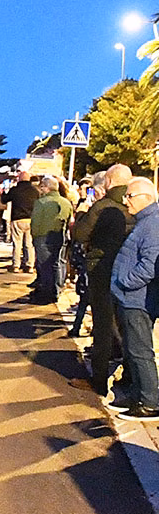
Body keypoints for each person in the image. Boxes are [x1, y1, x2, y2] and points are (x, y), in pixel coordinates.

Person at [69, 164, 133, 396]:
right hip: (128, 272)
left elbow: (80, 234)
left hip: (102, 268)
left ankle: (98, 379)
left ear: (108, 182)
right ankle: (127, 373)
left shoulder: (102, 206)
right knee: (125, 323)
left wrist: (82, 213)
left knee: (103, 324)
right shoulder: (134, 206)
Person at [107, 177, 159, 421]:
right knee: (132, 350)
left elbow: (149, 267)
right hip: (131, 298)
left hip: (138, 300)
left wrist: (125, 282)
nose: (125, 200)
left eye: (129, 196)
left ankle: (149, 403)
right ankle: (138, 395)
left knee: (140, 352)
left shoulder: (152, 225)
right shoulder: (144, 222)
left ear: (146, 199)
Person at [29, 175, 72, 304]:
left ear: (46, 188)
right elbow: (69, 220)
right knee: (55, 264)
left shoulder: (41, 202)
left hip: (43, 236)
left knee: (44, 266)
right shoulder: (66, 202)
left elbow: (35, 222)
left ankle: (46, 293)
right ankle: (55, 290)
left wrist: (34, 236)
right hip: (58, 236)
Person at [2, 172, 40, 273]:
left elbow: (4, 200)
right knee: (29, 244)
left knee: (17, 243)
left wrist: (4, 192)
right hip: (31, 219)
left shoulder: (15, 190)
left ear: (19, 179)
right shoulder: (35, 191)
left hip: (17, 218)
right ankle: (30, 265)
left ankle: (16, 265)